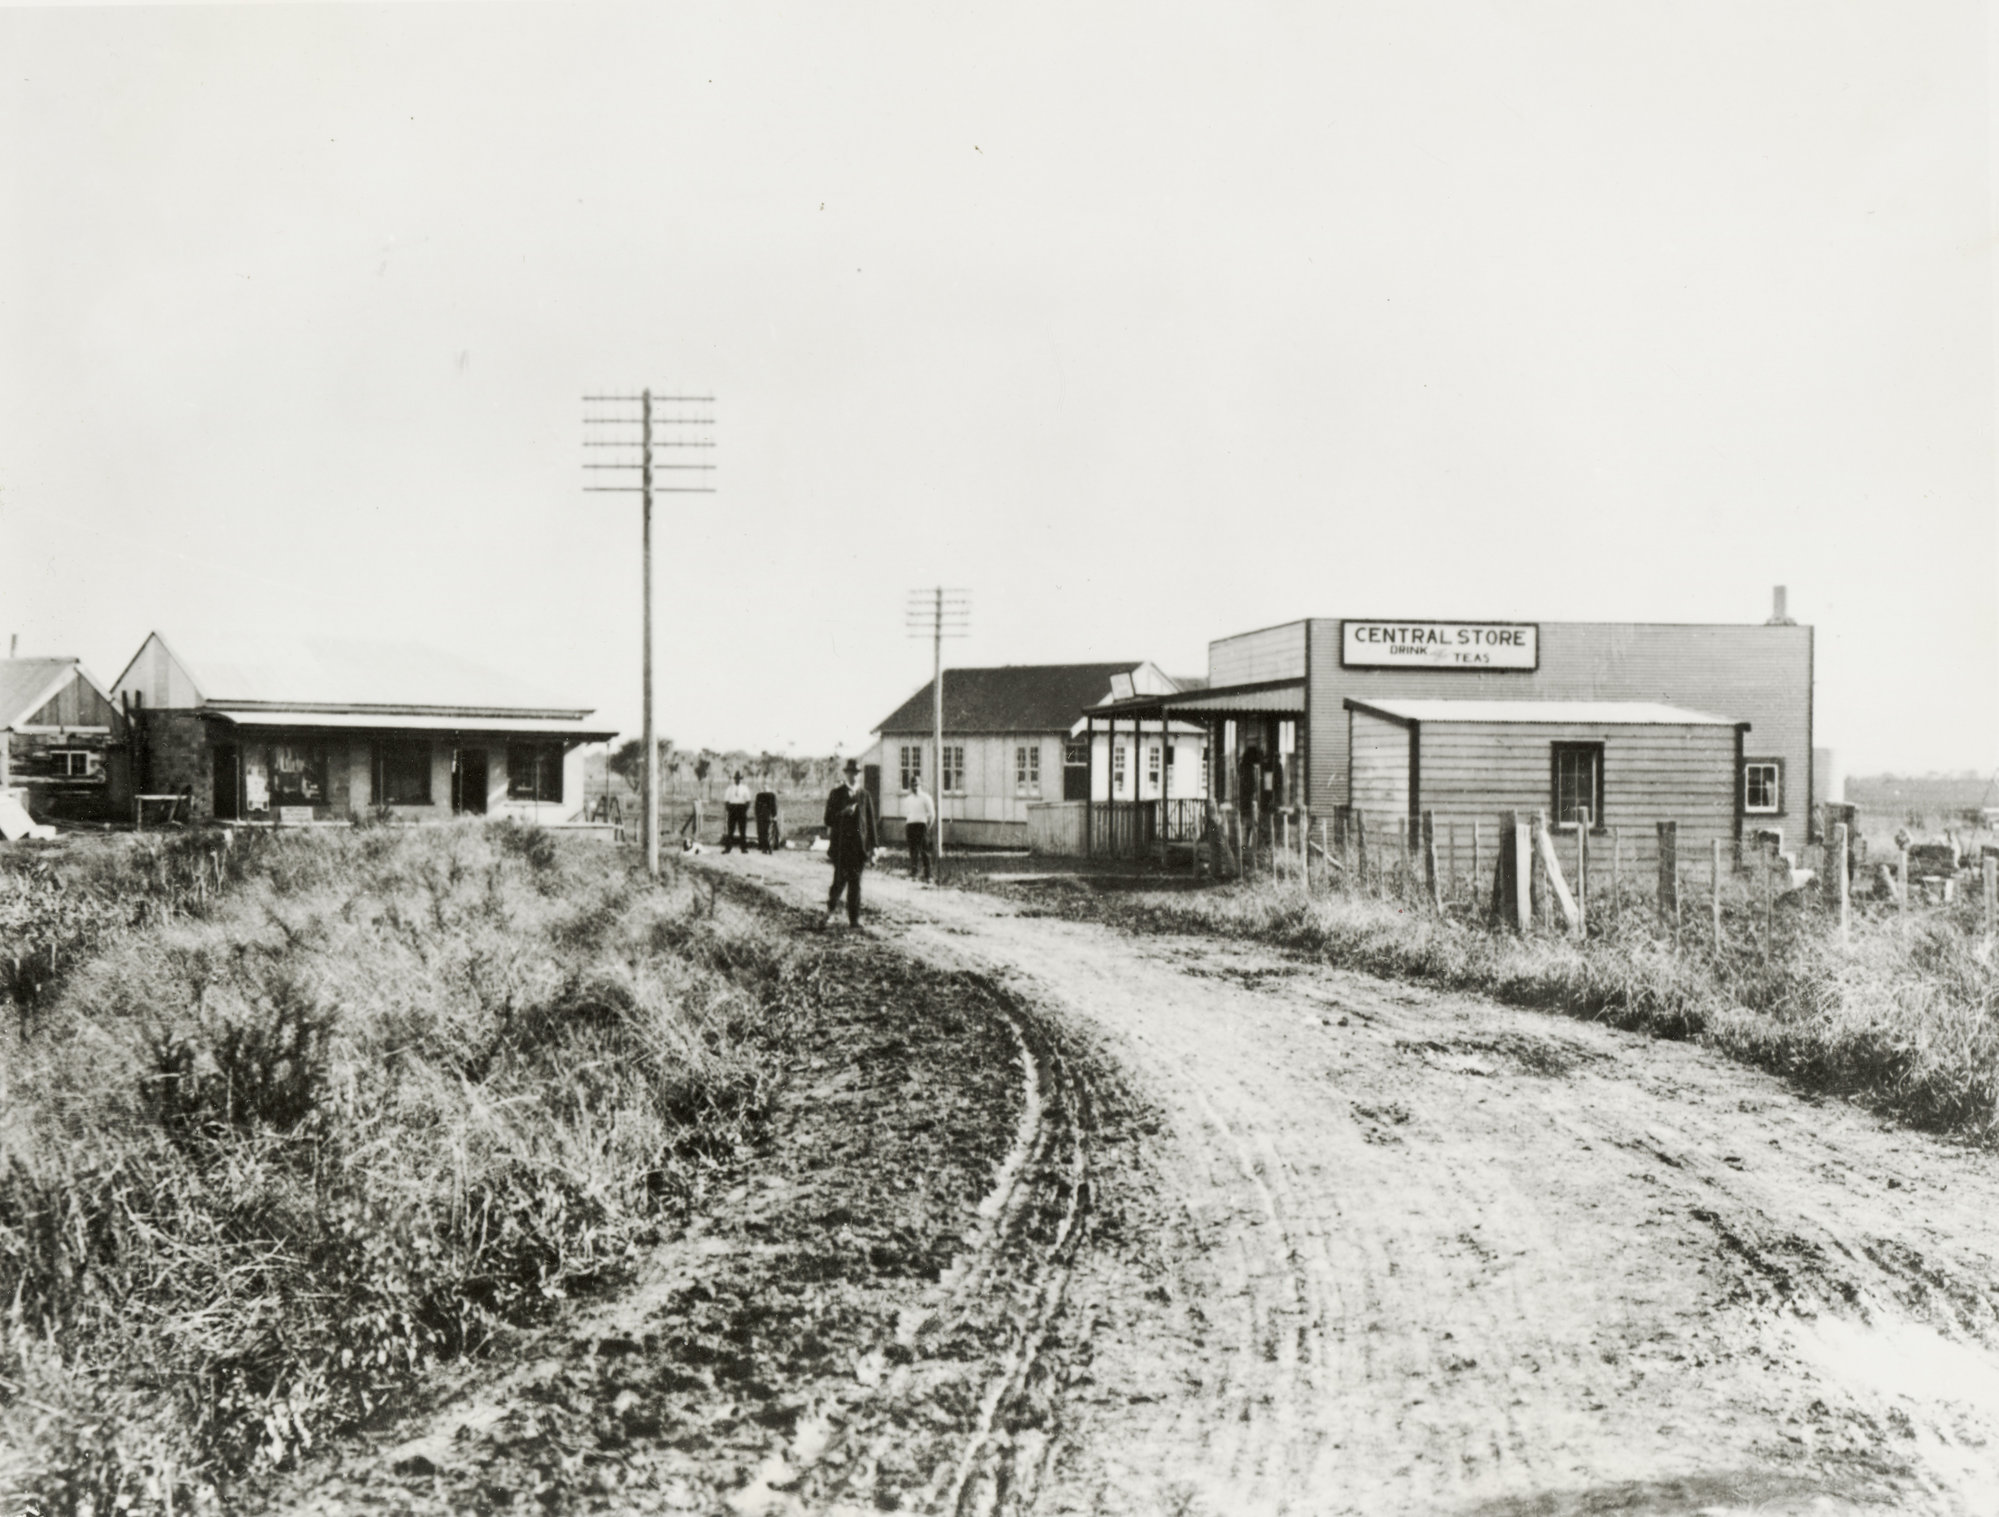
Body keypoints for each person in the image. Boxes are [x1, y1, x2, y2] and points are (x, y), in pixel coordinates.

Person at [821, 758, 877, 929]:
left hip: (859, 848)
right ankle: (830, 912)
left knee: (856, 884)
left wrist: (874, 849)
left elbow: (871, 823)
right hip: (842, 847)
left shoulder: (864, 795)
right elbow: (828, 819)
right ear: (845, 774)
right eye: (851, 773)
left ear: (860, 775)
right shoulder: (836, 794)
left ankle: (854, 920)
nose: (854, 776)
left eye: (857, 773)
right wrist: (843, 813)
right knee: (839, 882)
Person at [902, 781, 935, 881]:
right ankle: (914, 873)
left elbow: (932, 813)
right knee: (913, 851)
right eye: (912, 785)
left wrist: (928, 826)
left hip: (922, 825)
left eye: (916, 785)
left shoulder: (926, 798)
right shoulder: (908, 799)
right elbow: (906, 813)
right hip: (911, 825)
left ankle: (928, 875)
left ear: (920, 785)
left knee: (924, 850)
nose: (914, 787)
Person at [722, 771, 752, 853]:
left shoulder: (744, 788)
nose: (737, 780)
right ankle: (728, 848)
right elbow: (726, 800)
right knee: (730, 830)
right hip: (732, 808)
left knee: (742, 830)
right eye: (736, 779)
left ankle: (743, 848)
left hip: (741, 808)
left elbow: (748, 800)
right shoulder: (730, 788)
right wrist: (729, 809)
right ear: (734, 779)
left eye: (738, 779)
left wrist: (744, 809)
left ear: (740, 779)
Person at [754, 776, 781, 854]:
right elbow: (773, 806)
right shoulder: (771, 795)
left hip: (761, 815)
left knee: (762, 831)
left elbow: (757, 807)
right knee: (767, 831)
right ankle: (768, 846)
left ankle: (764, 846)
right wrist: (774, 815)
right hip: (767, 814)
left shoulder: (759, 795)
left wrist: (757, 814)